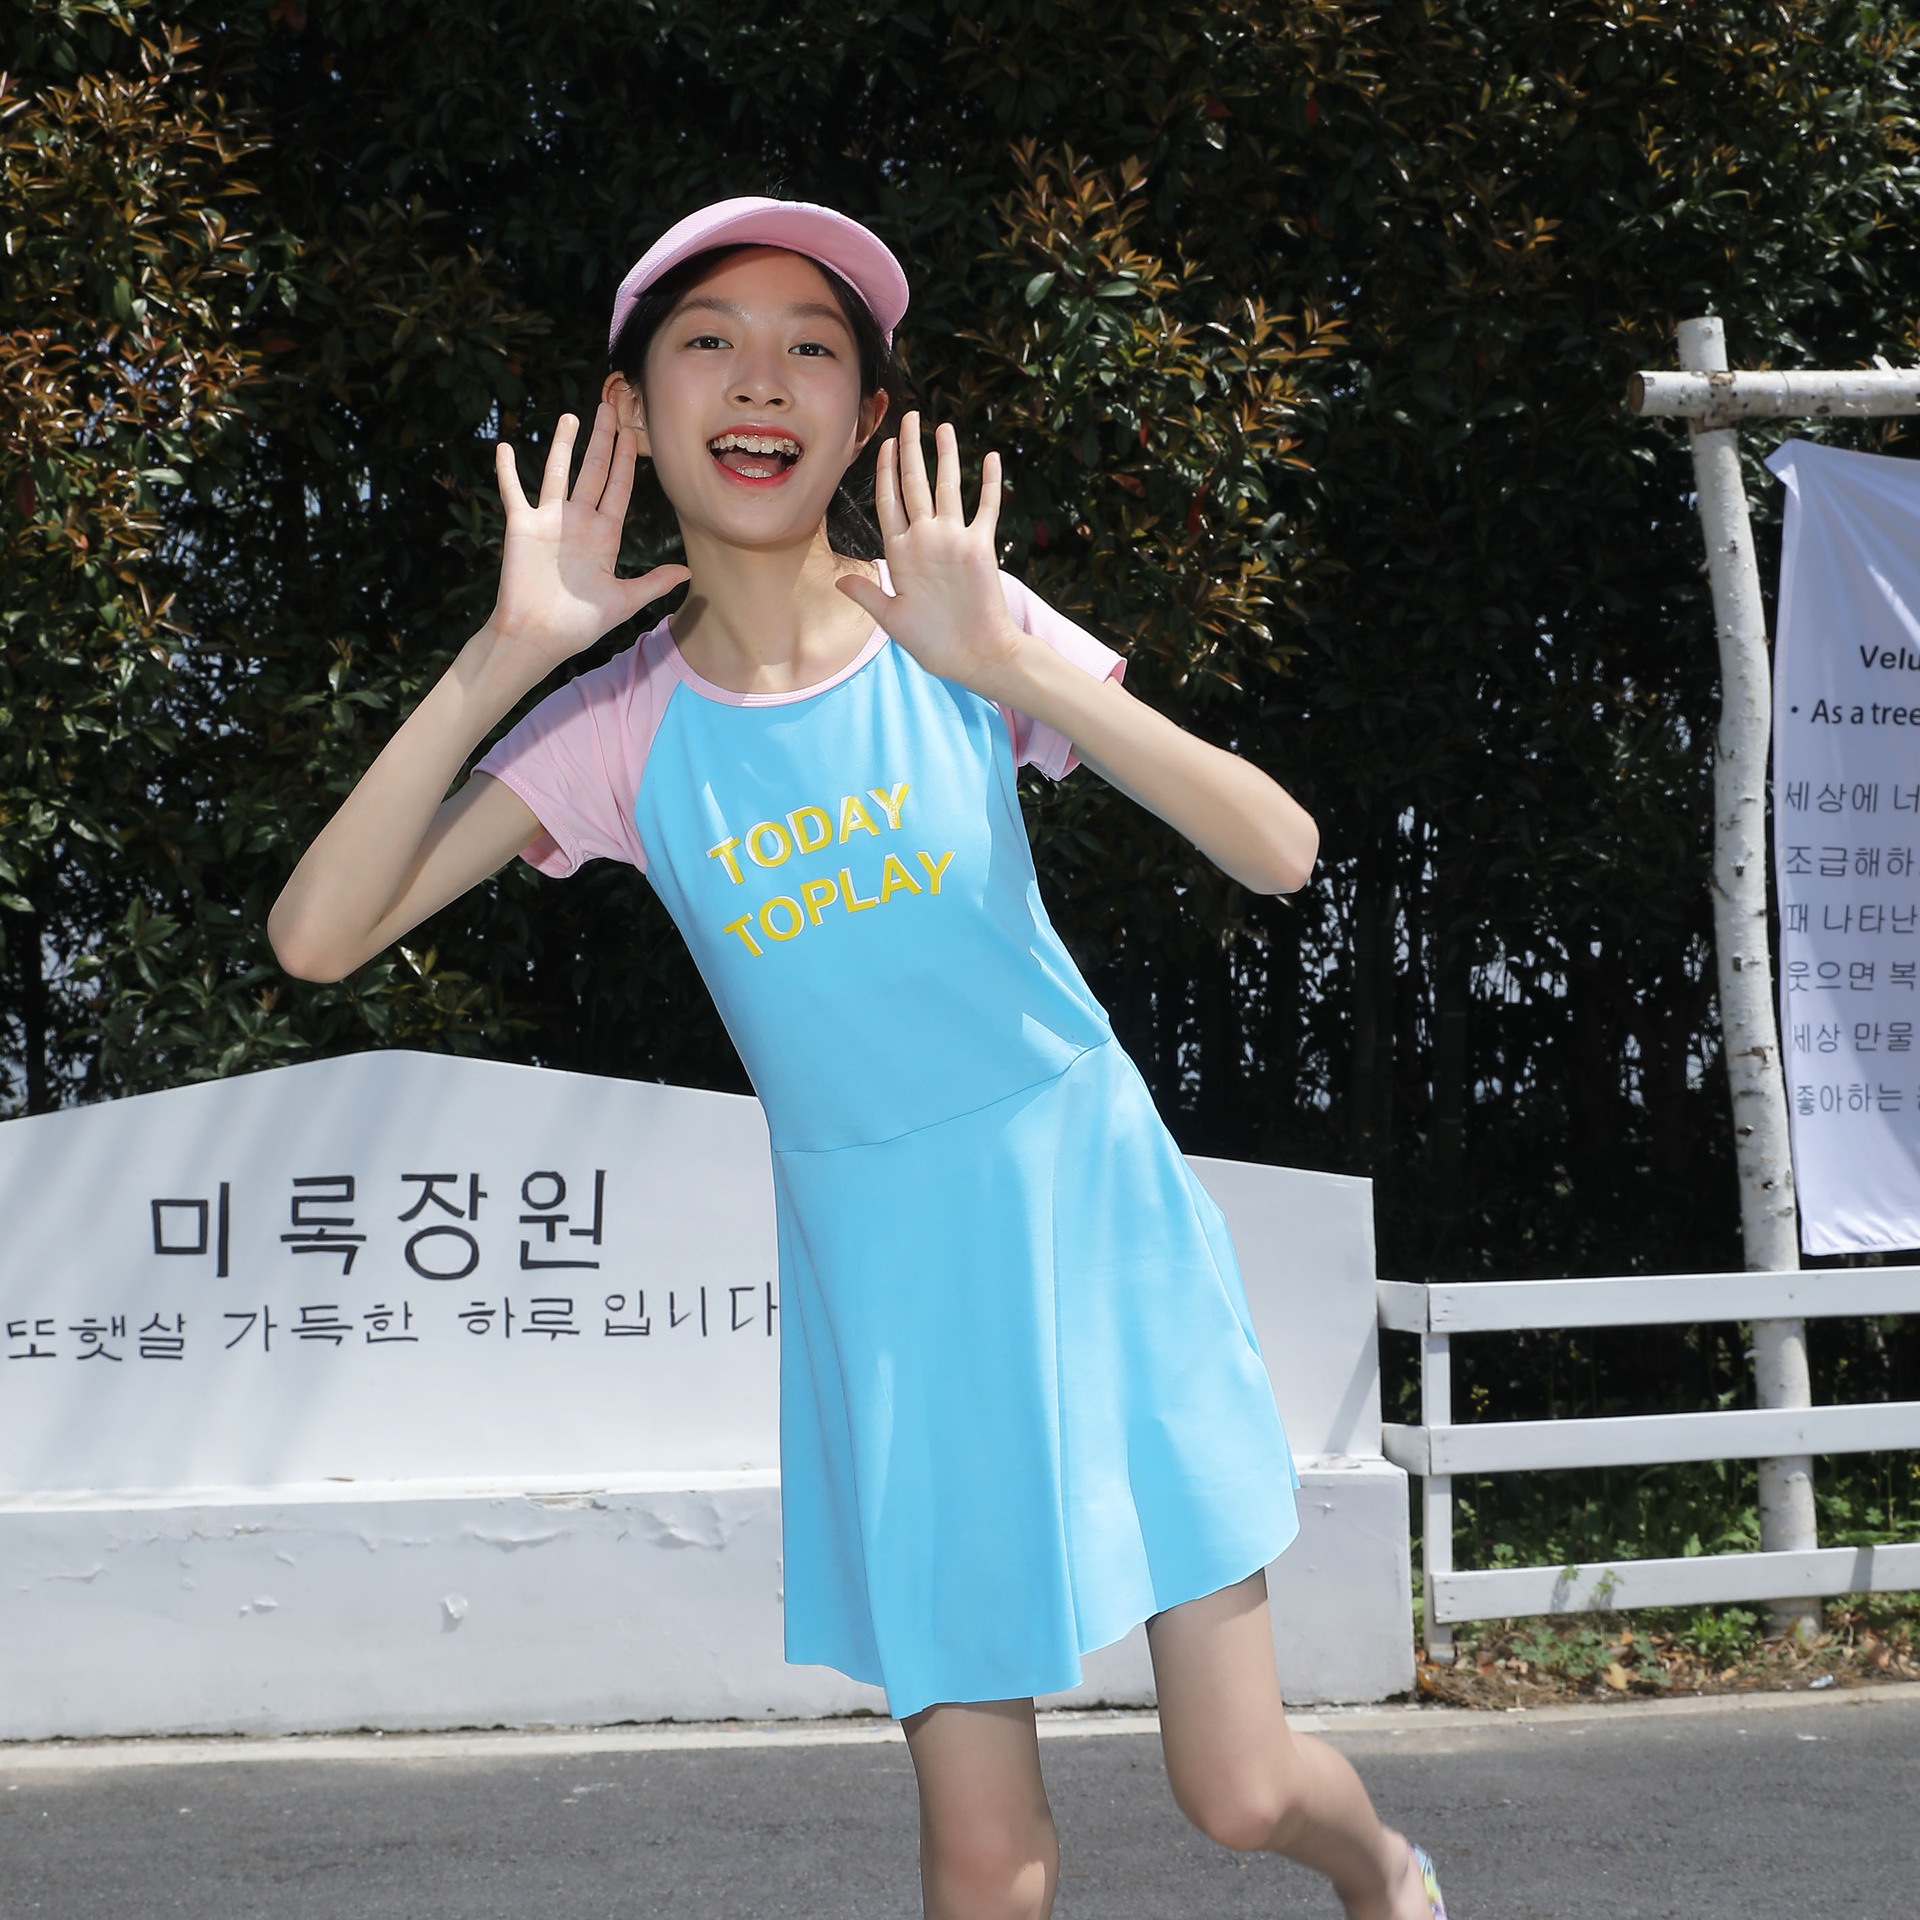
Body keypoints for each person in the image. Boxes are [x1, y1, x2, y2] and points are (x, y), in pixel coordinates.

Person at [269, 197, 1447, 1920]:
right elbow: (316, 937)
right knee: (986, 1859)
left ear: (868, 419)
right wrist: (507, 654)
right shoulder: (616, 726)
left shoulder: (953, 624)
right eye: (711, 341)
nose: (763, 379)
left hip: (1093, 1226)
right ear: (631, 412)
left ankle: (1388, 1872)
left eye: (812, 347)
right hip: (888, 1301)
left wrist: (1011, 662)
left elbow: (1279, 849)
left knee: (1240, 1789)